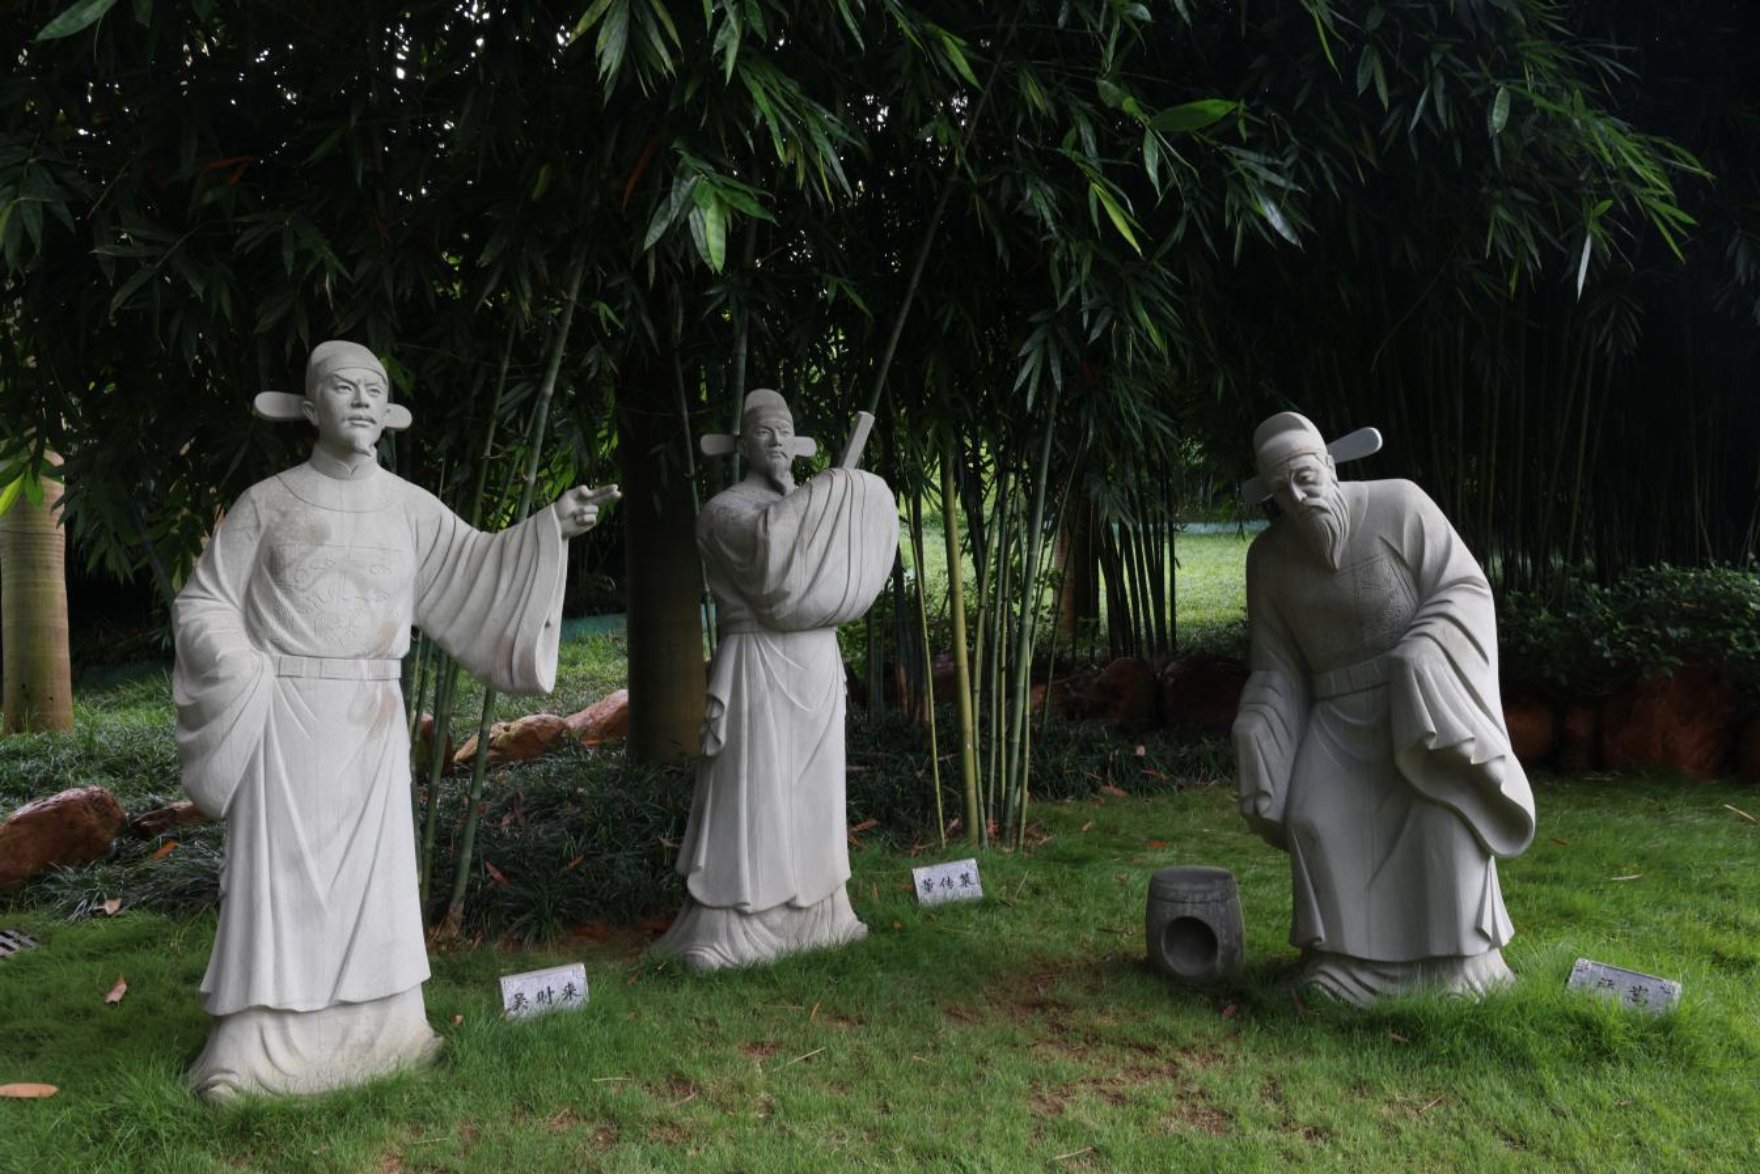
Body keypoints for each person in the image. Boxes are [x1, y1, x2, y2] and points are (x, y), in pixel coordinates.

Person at [173, 340, 617, 1097]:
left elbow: (478, 569)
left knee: (371, 883)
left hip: (373, 716)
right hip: (286, 719)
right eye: (342, 388)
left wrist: (551, 528)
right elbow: (202, 602)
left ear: (390, 412)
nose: (360, 401)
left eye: (374, 390)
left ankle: (387, 1031)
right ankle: (252, 1045)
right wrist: (242, 664)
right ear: (308, 408)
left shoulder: (409, 508)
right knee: (280, 880)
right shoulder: (267, 503)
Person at [1232, 411, 1536, 1005]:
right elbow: (1276, 665)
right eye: (1281, 490)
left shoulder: (1400, 505)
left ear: (1329, 464)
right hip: (1335, 719)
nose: (1298, 498)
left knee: (1440, 810)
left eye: (1305, 477)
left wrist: (1423, 651)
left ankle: (1462, 963)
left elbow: (1463, 588)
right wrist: (1257, 719)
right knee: (1314, 818)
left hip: (1416, 705)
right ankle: (1339, 965)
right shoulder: (1267, 559)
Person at [652, 390, 896, 971]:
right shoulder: (724, 511)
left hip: (815, 664)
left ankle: (823, 915)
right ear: (743, 444)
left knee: (815, 796)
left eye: (785, 430)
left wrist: (825, 498)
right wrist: (821, 494)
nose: (778, 440)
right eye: (764, 431)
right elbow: (768, 563)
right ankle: (728, 931)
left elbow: (834, 545)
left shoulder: (807, 506)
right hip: (756, 665)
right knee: (752, 792)